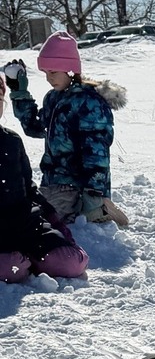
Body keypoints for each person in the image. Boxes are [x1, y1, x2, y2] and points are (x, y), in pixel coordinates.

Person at [2, 31, 129, 226]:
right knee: (28, 210)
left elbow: (96, 151)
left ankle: (101, 209)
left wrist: (94, 192)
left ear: (70, 69)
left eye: (53, 72)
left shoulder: (89, 102)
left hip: (77, 185)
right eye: (45, 73)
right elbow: (34, 127)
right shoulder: (54, 97)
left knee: (40, 221)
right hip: (53, 181)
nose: (48, 78)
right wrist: (20, 92)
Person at [0, 71, 89, 283]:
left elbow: (29, 189)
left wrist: (57, 225)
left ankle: (30, 260)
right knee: (12, 268)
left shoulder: (11, 141)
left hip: (24, 225)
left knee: (70, 262)